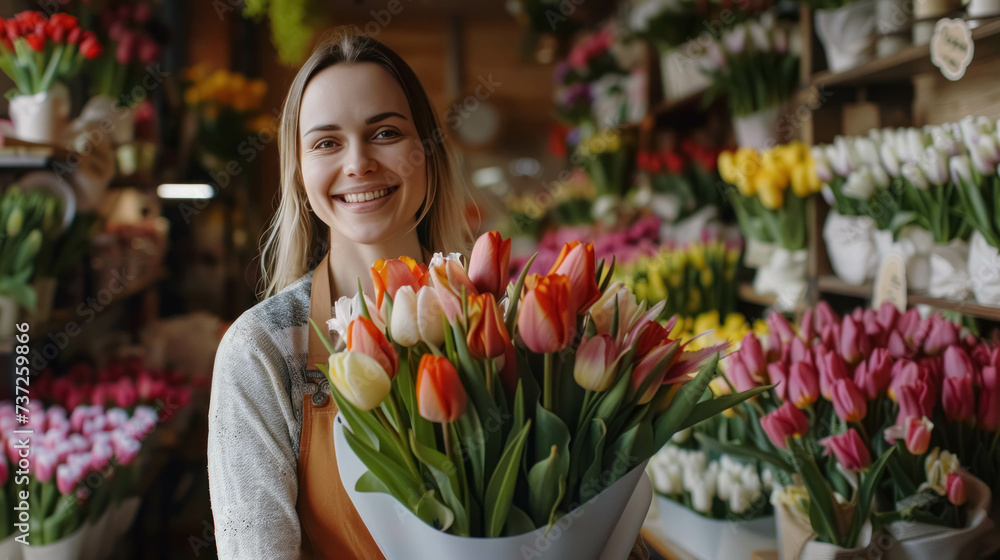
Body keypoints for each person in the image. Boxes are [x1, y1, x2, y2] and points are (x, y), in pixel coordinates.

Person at [207, 33, 469, 559]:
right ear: (300, 174)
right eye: (327, 142)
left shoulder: (497, 315)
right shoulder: (263, 350)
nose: (359, 163)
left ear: (427, 153)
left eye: (386, 132)